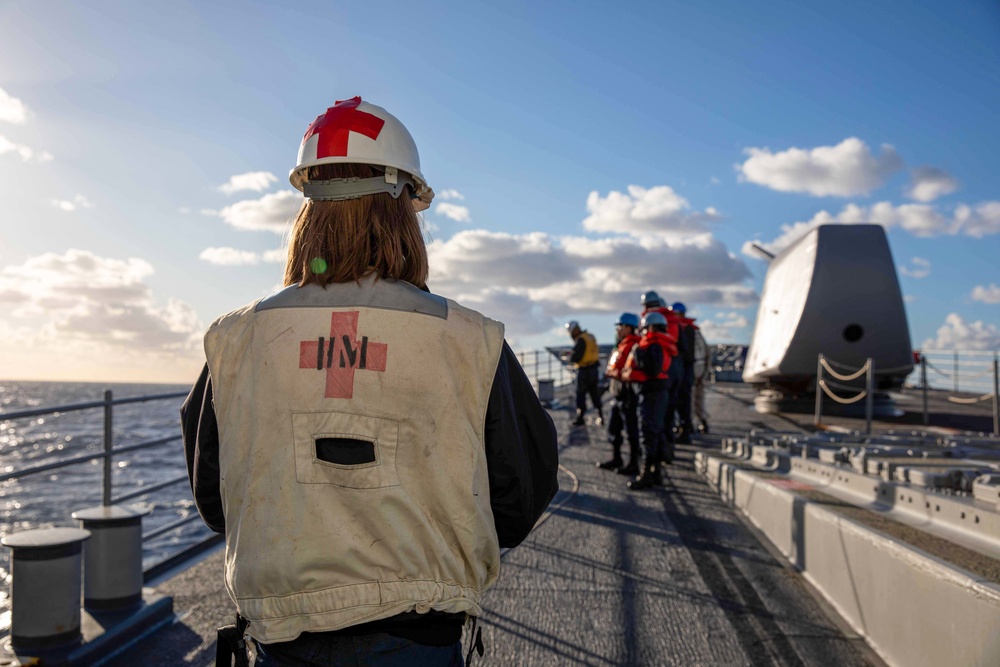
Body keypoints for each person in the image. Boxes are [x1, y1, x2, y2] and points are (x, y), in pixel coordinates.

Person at [180, 97, 559, 667]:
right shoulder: (471, 340)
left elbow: (215, 497)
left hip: (282, 636)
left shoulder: (235, 340)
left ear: (307, 209)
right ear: (406, 209)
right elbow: (519, 497)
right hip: (419, 636)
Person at [622, 311, 676, 490]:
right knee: (656, 432)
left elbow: (651, 370)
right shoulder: (662, 344)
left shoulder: (653, 346)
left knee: (648, 433)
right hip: (658, 392)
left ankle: (646, 474)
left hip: (651, 393)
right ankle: (656, 472)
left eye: (645, 329)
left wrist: (638, 353)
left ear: (651, 327)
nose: (643, 333)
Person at [639, 291, 681, 462]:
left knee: (651, 425)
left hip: (655, 385)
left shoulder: (653, 342)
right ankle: (667, 453)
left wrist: (638, 356)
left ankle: (651, 466)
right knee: (668, 416)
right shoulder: (671, 327)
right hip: (673, 376)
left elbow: (651, 369)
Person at [598, 313, 641, 476]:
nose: (617, 330)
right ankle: (617, 458)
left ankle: (633, 463)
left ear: (629, 328)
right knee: (613, 427)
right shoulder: (623, 344)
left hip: (628, 393)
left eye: (620, 327)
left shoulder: (634, 346)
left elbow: (628, 369)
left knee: (631, 429)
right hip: (618, 393)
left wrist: (614, 372)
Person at [565, 320, 604, 426]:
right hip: (594, 369)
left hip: (584, 370)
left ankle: (580, 418)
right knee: (594, 393)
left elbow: (577, 356)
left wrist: (571, 357)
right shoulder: (590, 336)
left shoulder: (581, 340)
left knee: (580, 394)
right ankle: (601, 415)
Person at [670, 302, 698, 444]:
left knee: (683, 402)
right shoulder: (688, 328)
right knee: (682, 402)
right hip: (685, 370)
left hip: (684, 371)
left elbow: (685, 352)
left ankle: (685, 431)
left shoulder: (684, 329)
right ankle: (685, 428)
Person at [692, 326, 711, 434]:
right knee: (699, 399)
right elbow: (708, 353)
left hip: (692, 371)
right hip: (700, 370)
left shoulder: (687, 331)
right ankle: (702, 422)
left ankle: (690, 425)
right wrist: (705, 372)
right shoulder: (698, 334)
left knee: (690, 400)